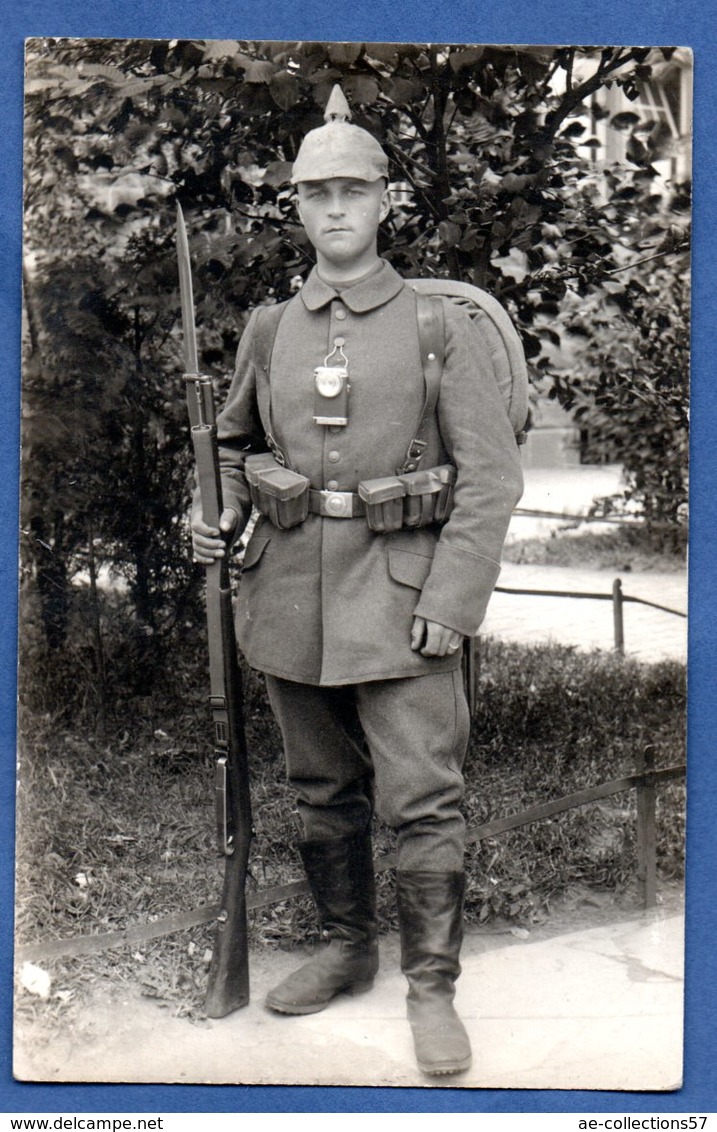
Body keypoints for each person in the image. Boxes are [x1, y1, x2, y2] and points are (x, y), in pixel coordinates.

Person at [191, 85, 524, 1077]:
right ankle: (346, 946)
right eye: (313, 193)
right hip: (289, 595)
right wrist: (208, 513)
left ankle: (432, 990)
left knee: (423, 795)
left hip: (407, 600)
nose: (333, 209)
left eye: (352, 190)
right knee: (318, 787)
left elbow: (491, 480)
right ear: (294, 207)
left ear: (387, 202)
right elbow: (226, 443)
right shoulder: (269, 329)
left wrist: (451, 605)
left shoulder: (434, 325)